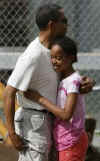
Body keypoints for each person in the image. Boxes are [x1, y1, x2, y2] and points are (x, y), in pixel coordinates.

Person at [3, 3, 94, 161]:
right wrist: (12, 133)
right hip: (34, 122)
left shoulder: (55, 51)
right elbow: (9, 92)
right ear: (52, 25)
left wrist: (86, 83)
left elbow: (67, 80)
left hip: (52, 122)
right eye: (64, 21)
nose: (67, 25)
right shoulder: (33, 56)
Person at [24, 36, 89, 161]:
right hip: (65, 140)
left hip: (72, 141)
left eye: (58, 58)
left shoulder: (72, 82)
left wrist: (38, 98)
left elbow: (66, 114)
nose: (54, 61)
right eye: (52, 58)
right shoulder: (63, 79)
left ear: (71, 58)